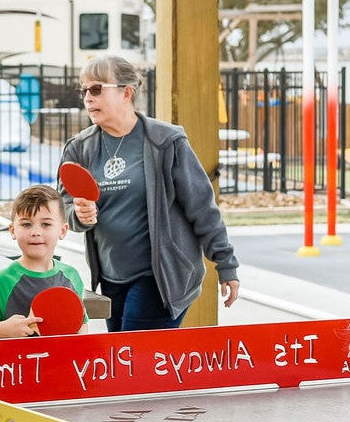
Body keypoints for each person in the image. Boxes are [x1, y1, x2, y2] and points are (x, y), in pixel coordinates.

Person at [59, 54, 240, 332]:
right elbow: (65, 205)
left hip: (160, 277)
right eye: (84, 90)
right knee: (124, 364)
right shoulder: (79, 148)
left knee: (132, 359)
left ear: (126, 92)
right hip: (110, 277)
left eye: (96, 89)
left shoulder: (165, 141)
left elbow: (202, 206)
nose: (87, 98)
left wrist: (225, 263)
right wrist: (79, 215)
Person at [0, 184, 87, 339]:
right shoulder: (1, 281)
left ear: (62, 230)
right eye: (26, 224)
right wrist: (4, 329)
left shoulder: (72, 276)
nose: (35, 232)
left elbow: (81, 324)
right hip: (15, 362)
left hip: (61, 362)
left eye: (46, 224)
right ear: (13, 230)